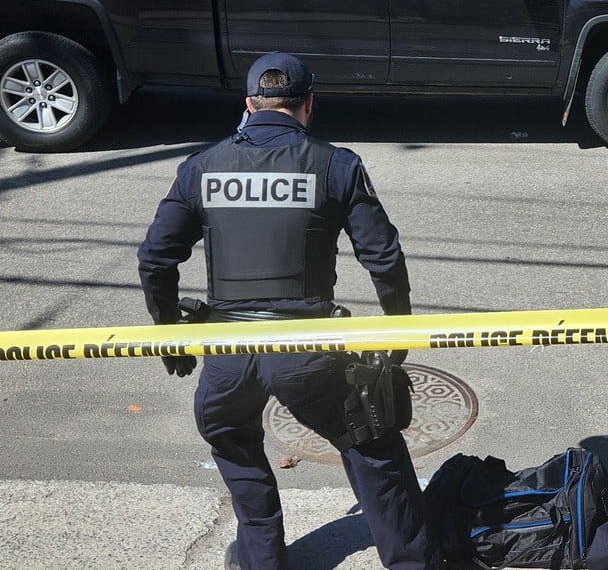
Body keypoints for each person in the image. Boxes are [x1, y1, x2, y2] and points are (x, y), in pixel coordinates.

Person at [137, 52, 433, 570]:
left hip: (227, 353)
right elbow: (384, 257)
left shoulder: (201, 167)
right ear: (308, 105)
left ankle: (261, 559)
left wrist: (171, 336)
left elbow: (154, 260)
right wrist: (397, 335)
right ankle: (411, 561)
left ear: (248, 105)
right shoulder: (336, 165)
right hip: (307, 354)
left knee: (230, 437)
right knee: (372, 439)